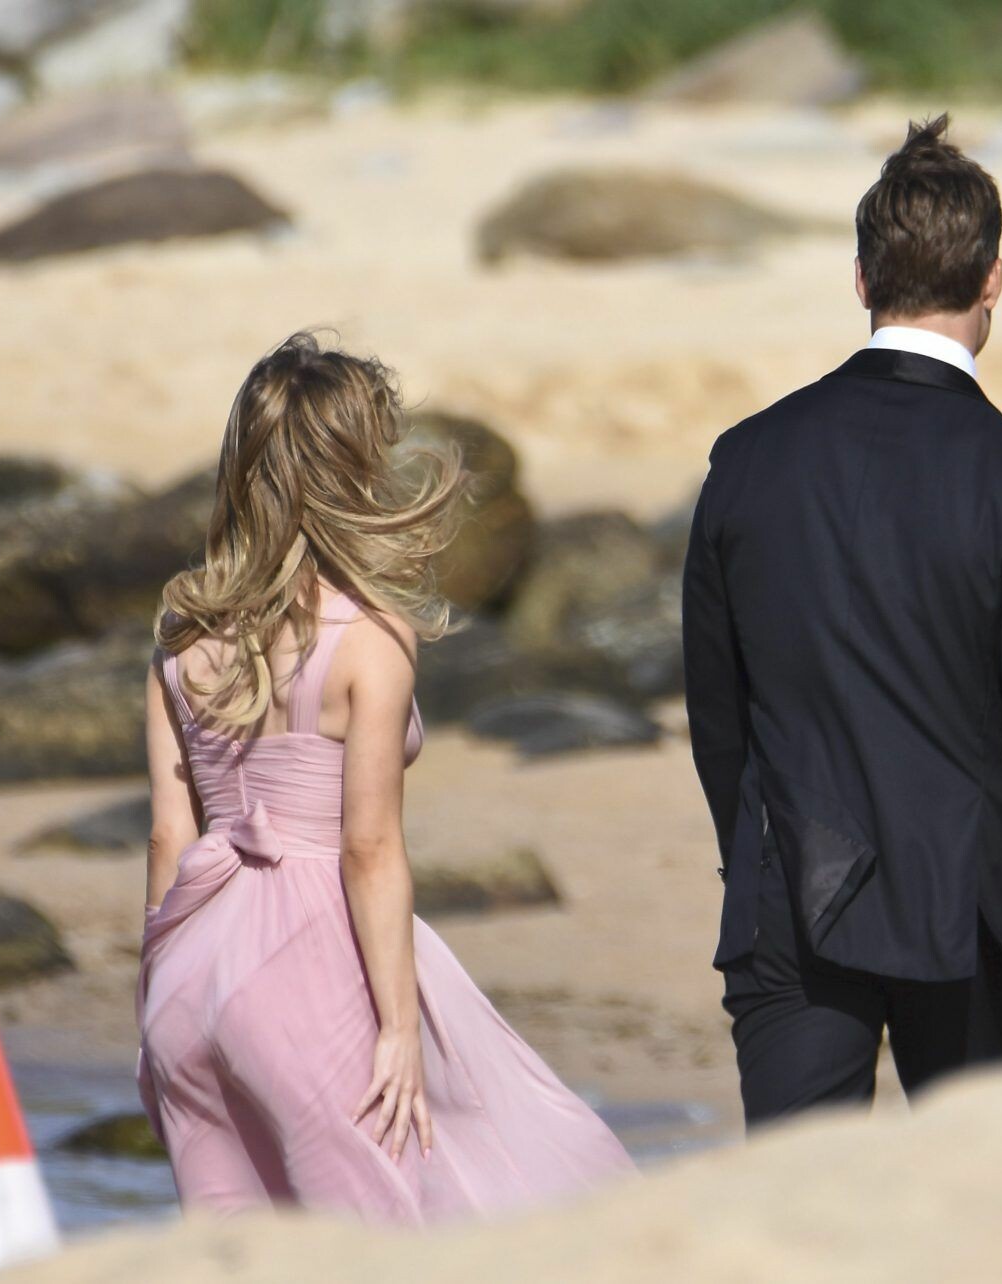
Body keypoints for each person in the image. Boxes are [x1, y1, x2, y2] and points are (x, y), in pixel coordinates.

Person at [136, 331, 633, 1218]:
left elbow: (169, 835)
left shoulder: (182, 633)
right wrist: (399, 1028)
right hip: (306, 965)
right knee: (446, 1202)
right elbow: (367, 848)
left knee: (233, 1251)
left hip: (186, 963)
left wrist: (154, 1000)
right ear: (355, 470)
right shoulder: (369, 638)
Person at [682, 115, 1002, 1127]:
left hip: (790, 889)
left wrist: (756, 864)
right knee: (979, 1196)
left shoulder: (748, 455)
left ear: (863, 279)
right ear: (992, 280)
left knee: (798, 1198)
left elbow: (715, 701)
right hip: (971, 907)